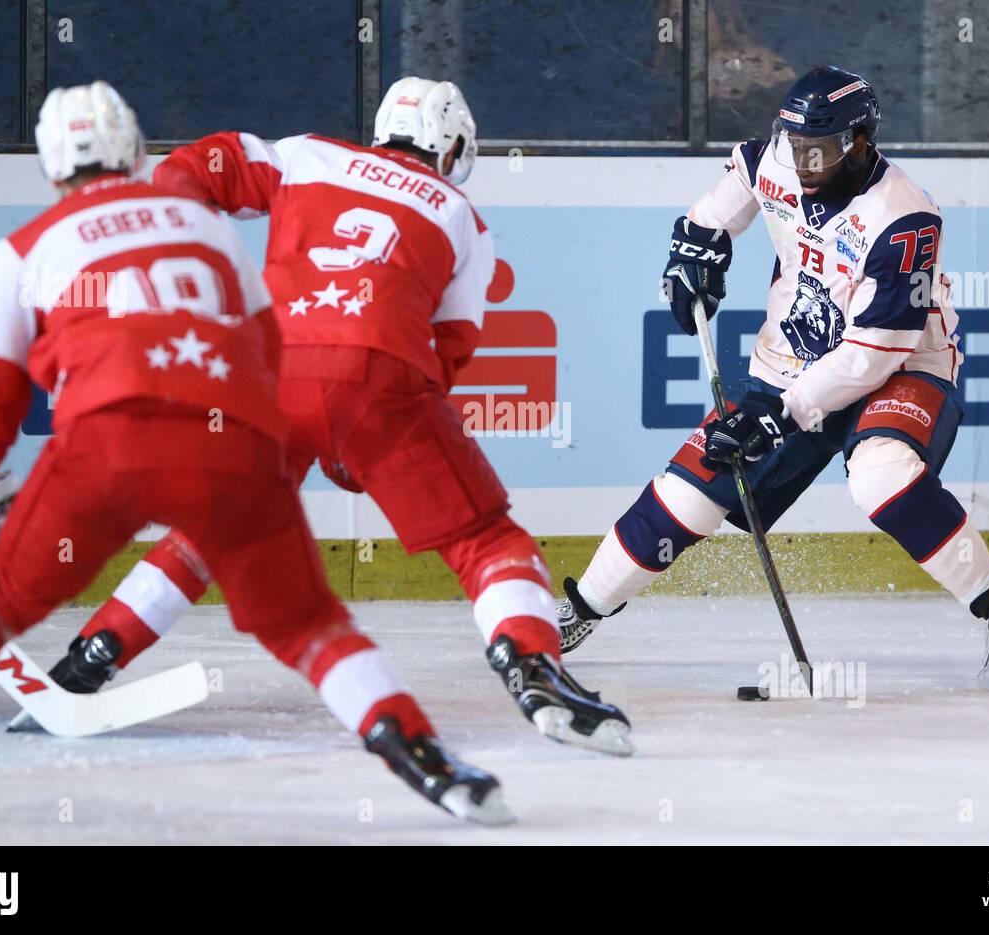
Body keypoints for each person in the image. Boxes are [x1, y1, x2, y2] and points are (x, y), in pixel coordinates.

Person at [0, 82, 512, 825]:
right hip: (218, 443)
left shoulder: (28, 250)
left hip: (99, 449)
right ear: (135, 150)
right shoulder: (200, 232)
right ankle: (425, 759)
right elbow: (268, 345)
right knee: (310, 626)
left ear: (50, 165)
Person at [35, 76, 633, 755]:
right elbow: (450, 350)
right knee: (486, 542)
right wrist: (366, 435)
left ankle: (91, 655)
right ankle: (533, 665)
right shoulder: (461, 215)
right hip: (382, 382)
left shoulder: (306, 155)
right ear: (452, 145)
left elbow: (204, 164)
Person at [557, 66, 989, 688]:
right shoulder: (783, 154)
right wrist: (696, 245)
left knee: (880, 476)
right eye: (793, 144)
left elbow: (870, 355)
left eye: (816, 150)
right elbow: (735, 187)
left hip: (900, 367)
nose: (800, 162)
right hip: (791, 360)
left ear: (857, 141)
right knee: (688, 492)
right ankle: (578, 611)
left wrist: (780, 414)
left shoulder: (905, 218)